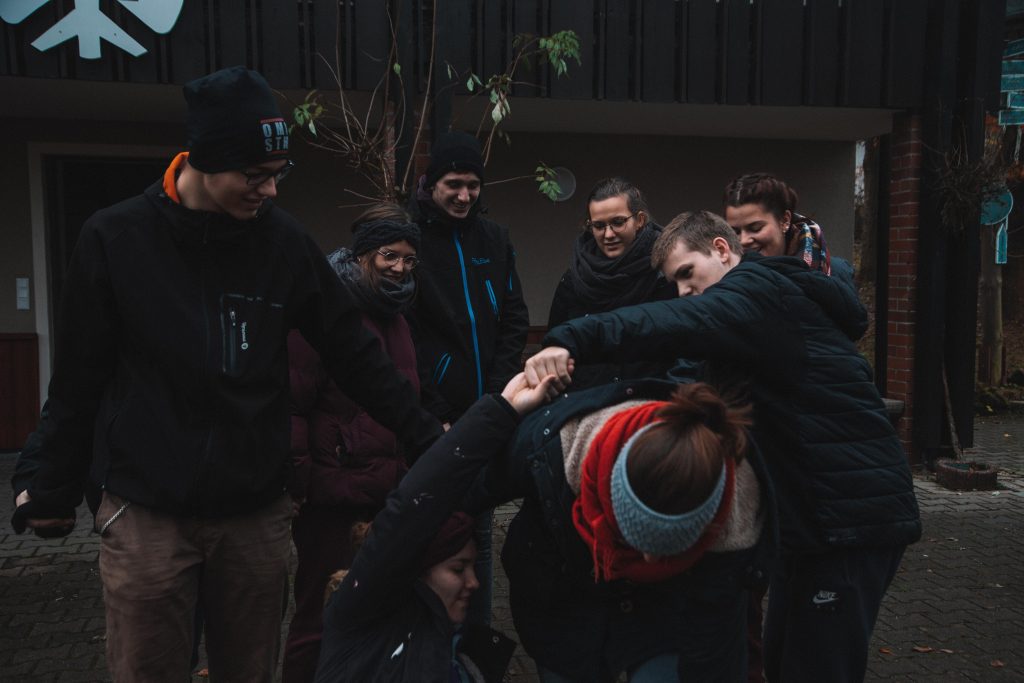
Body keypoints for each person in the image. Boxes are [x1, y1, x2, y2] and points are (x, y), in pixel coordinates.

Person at [10, 66, 440, 682]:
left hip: (253, 514)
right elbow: (79, 377)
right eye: (255, 175)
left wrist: (428, 436)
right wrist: (47, 482)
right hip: (147, 511)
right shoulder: (116, 238)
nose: (270, 191)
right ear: (206, 159)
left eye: (279, 173)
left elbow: (356, 354)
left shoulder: (283, 245)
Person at [526, 210, 921, 683]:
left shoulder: (755, 290)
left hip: (852, 520)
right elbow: (685, 372)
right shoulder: (743, 318)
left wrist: (572, 338)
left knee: (817, 668)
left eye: (686, 274)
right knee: (784, 660)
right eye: (674, 283)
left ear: (720, 249)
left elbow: (671, 321)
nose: (683, 292)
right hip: (812, 523)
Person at [472, 378, 775, 682]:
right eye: (634, 537)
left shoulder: (736, 522)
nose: (650, 560)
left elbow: (715, 644)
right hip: (562, 605)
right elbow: (473, 485)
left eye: (671, 548)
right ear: (609, 492)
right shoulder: (556, 446)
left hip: (662, 615)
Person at [313, 371, 556, 682]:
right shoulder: (360, 619)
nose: (474, 583)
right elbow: (413, 506)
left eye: (471, 567)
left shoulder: (458, 647)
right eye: (458, 569)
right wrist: (502, 409)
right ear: (412, 568)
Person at [283, 204, 423, 682]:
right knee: (318, 616)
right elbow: (293, 402)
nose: (400, 268)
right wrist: (298, 483)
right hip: (331, 495)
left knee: (371, 613)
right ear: (363, 254)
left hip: (384, 490)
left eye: (409, 258)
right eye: (389, 255)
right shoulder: (324, 310)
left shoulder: (397, 314)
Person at [407, 130, 530, 624]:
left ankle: (474, 642)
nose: (464, 196)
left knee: (478, 528)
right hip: (435, 420)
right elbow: (409, 335)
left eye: (473, 186)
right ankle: (430, 639)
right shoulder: (411, 239)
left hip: (487, 412)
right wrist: (437, 409)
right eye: (453, 185)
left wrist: (496, 398)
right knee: (433, 531)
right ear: (432, 183)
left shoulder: (494, 238)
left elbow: (514, 318)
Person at [547, 177, 677, 390]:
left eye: (618, 222)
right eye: (599, 226)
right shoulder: (575, 278)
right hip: (588, 397)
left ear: (640, 220)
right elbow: (557, 341)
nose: (608, 234)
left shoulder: (666, 271)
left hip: (652, 395)